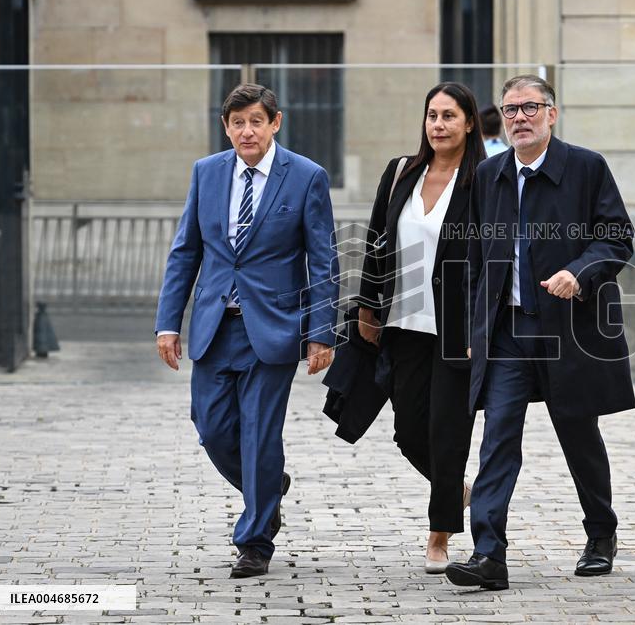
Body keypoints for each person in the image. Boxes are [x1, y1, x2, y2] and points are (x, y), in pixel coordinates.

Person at [445, 75, 635, 591]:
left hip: (567, 329)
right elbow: (476, 257)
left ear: (552, 114)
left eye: (531, 108)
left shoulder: (586, 167)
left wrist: (580, 272)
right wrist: (471, 326)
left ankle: (601, 532)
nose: (520, 118)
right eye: (510, 111)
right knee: (498, 438)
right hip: (507, 332)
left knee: (578, 433)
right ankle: (489, 553)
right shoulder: (488, 174)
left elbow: (616, 236)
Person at [155, 83, 339, 579]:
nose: (247, 131)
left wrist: (323, 331)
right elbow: (185, 252)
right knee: (212, 429)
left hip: (273, 328)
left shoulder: (305, 177)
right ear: (226, 127)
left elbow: (323, 260)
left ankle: (254, 540)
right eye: (237, 122)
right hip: (215, 327)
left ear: (275, 123)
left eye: (256, 121)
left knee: (260, 433)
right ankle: (268, 487)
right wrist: (168, 323)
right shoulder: (206, 172)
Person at [356, 82, 486, 573]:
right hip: (403, 322)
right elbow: (375, 241)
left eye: (449, 116)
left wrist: (483, 329)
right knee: (409, 431)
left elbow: (494, 258)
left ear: (469, 123)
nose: (438, 125)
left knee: (449, 430)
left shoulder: (484, 179)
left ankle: (439, 536)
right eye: (432, 115)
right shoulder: (399, 173)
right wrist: (368, 307)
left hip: (457, 330)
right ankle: (456, 489)